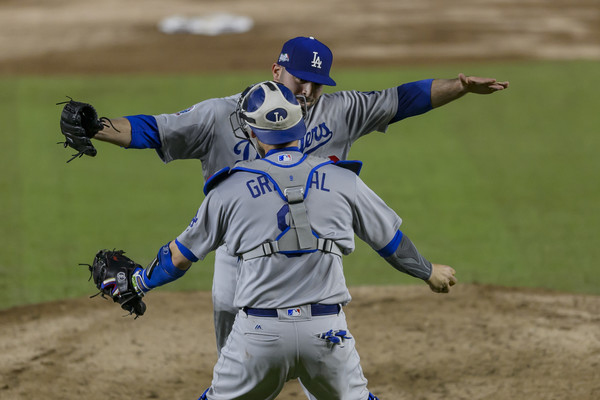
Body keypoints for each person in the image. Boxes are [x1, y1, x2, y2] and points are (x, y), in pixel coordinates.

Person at [62, 35, 503, 374]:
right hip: (240, 261)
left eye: (317, 82)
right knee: (238, 357)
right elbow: (155, 130)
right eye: (299, 80)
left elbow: (403, 99)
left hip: (314, 260)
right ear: (275, 71)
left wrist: (459, 87)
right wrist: (98, 127)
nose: (308, 90)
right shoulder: (221, 116)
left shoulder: (340, 111)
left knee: (312, 361)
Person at [128, 81, 457, 399]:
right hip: (328, 334)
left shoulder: (228, 190)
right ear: (302, 125)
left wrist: (138, 282)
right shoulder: (343, 179)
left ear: (252, 132)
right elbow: (391, 243)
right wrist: (429, 272)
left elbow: (179, 257)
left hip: (259, 337)